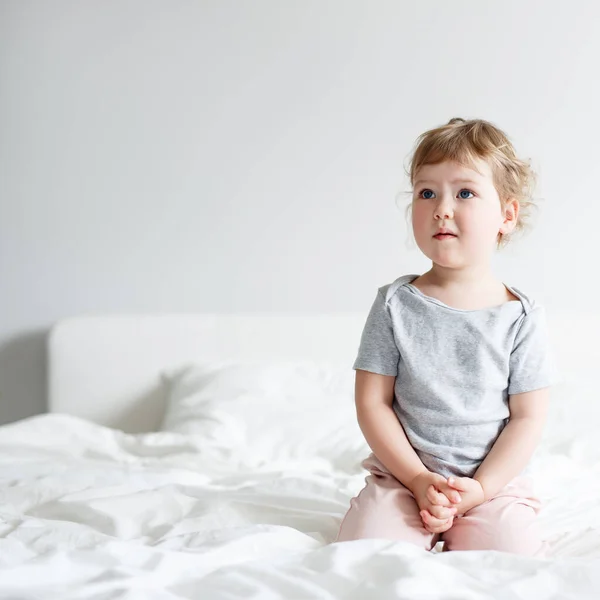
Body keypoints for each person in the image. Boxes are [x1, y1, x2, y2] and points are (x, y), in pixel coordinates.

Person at [336, 117, 555, 556]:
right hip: (403, 476)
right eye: (426, 192)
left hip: (489, 483)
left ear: (506, 216)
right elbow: (372, 402)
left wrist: (480, 488)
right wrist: (417, 479)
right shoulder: (395, 304)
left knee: (512, 555)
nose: (441, 207)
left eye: (465, 193)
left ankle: (480, 517)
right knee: (365, 549)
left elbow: (527, 418)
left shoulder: (520, 316)